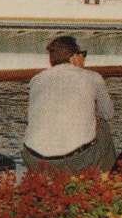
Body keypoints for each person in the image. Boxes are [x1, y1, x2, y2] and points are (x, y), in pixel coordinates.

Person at [22, 35, 115, 174]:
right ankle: (109, 183)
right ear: (73, 57)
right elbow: (108, 114)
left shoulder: (36, 79)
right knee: (102, 128)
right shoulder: (93, 77)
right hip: (73, 161)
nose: (84, 59)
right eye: (82, 54)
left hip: (33, 159)